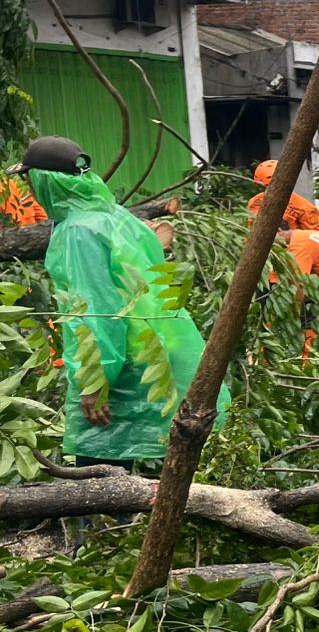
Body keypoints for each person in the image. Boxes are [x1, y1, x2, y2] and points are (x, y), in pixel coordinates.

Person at [13, 136, 227, 468]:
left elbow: (96, 308)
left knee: (100, 480)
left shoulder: (78, 232)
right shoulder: (115, 215)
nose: (29, 188)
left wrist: (95, 378)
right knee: (153, 468)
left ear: (44, 181)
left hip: (123, 362)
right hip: (153, 346)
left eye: (28, 179)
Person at [247, 159, 319, 230]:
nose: (268, 192)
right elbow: (250, 228)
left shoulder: (306, 208)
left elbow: (310, 237)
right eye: (264, 187)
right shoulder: (255, 202)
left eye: (271, 187)